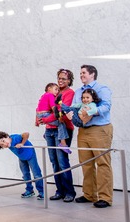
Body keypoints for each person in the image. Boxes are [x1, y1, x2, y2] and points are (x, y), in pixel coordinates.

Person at [67, 65, 113, 208]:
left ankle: (105, 197)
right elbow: (75, 107)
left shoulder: (102, 89)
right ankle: (89, 194)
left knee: (102, 163)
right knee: (86, 164)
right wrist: (71, 114)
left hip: (100, 129)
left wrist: (90, 111)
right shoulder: (78, 92)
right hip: (83, 130)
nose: (81, 75)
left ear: (92, 74)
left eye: (84, 73)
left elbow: (106, 106)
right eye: (80, 73)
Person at [39, 68, 76, 202]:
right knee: (54, 162)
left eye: (64, 79)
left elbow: (61, 112)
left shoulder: (69, 93)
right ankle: (59, 191)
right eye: (59, 78)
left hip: (63, 130)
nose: (60, 81)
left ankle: (69, 192)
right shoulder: (53, 91)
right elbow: (46, 108)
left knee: (62, 161)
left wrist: (45, 119)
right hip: (50, 131)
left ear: (69, 81)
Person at [0, 131, 44, 200]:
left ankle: (41, 192)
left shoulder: (15, 138)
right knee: (25, 174)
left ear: (7, 137)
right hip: (22, 157)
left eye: (3, 141)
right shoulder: (8, 145)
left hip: (30, 154)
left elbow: (26, 134)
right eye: (2, 145)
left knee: (36, 173)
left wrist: (22, 143)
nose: (5, 144)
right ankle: (29, 190)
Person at [35, 83, 71, 154]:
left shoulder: (43, 96)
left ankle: (46, 134)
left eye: (58, 90)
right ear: (49, 89)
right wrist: (57, 115)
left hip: (39, 114)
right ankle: (63, 144)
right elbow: (53, 106)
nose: (57, 91)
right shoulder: (50, 95)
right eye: (56, 89)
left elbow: (37, 108)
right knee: (61, 123)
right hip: (45, 114)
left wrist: (36, 121)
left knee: (52, 121)